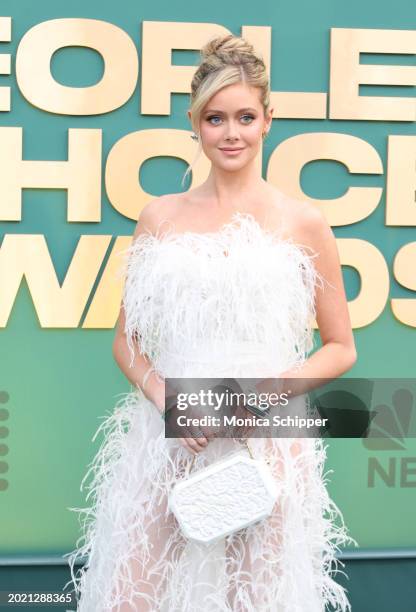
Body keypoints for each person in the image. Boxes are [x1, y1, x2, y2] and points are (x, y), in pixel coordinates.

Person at [64, 33, 358, 611]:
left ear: (268, 120)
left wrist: (261, 396)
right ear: (196, 125)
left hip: (265, 446)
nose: (231, 133)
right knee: (136, 595)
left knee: (259, 600)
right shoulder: (159, 216)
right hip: (168, 440)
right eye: (216, 118)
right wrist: (166, 398)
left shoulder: (304, 222)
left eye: (245, 117)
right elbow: (127, 342)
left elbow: (341, 347)